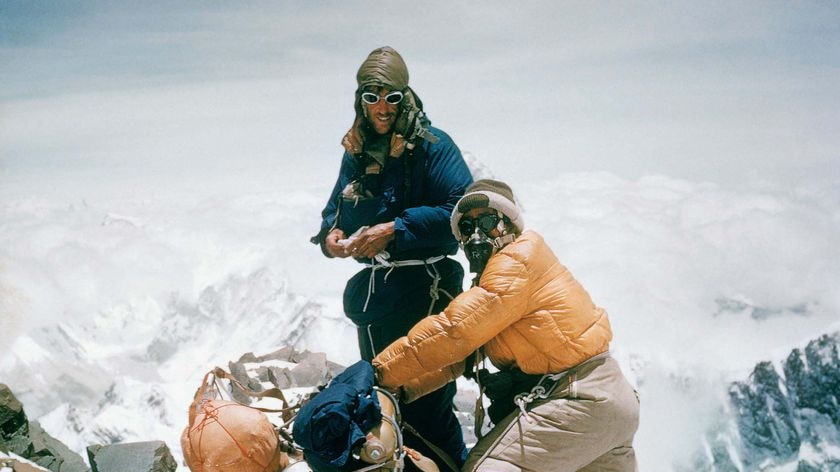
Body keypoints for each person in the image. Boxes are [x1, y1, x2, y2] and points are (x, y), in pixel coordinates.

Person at [372, 179, 640, 471]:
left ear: (510, 226)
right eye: (466, 227)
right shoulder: (502, 280)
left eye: (488, 221)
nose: (477, 234)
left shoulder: (516, 262)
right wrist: (404, 387)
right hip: (609, 403)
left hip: (579, 399)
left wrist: (380, 372)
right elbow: (460, 358)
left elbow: (455, 332)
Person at [311, 46, 472, 469]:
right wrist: (333, 237)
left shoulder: (434, 146)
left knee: (428, 402)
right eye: (371, 96)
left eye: (391, 97)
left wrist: (394, 229)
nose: (381, 107)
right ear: (360, 100)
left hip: (427, 293)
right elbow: (334, 211)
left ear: (406, 96)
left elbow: (461, 208)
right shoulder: (357, 150)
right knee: (382, 399)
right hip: (379, 301)